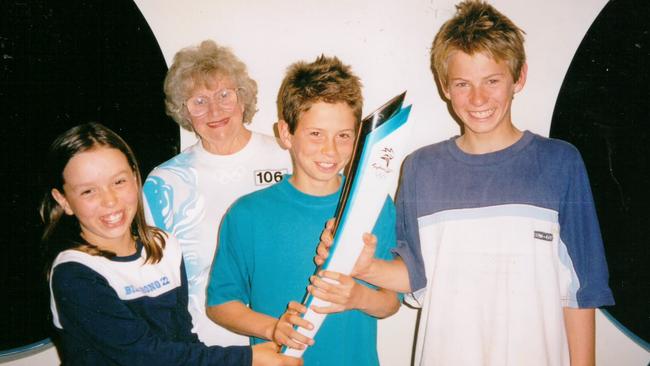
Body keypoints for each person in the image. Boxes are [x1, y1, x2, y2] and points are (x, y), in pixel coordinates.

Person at [315, 1, 615, 365]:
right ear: (445, 87)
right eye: (462, 84)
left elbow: (582, 292)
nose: (478, 99)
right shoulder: (420, 168)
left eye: (492, 80)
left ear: (518, 78)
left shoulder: (560, 163)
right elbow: (417, 275)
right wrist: (363, 266)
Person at [42, 123, 301, 366]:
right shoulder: (74, 273)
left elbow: (184, 339)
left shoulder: (163, 245)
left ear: (135, 178)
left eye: (118, 182)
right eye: (88, 191)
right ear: (63, 200)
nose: (109, 200)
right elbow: (146, 356)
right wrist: (248, 359)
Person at [206, 55, 400, 365]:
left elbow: (391, 302)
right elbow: (220, 304)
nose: (330, 150)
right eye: (315, 134)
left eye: (343, 136)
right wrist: (272, 328)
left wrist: (357, 298)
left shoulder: (375, 205)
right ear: (286, 133)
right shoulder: (246, 215)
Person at [143, 40, 291, 347]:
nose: (215, 109)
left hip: (288, 334)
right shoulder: (165, 183)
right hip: (208, 346)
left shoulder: (288, 157)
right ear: (183, 111)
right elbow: (154, 280)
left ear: (242, 97)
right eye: (199, 101)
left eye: (224, 94)